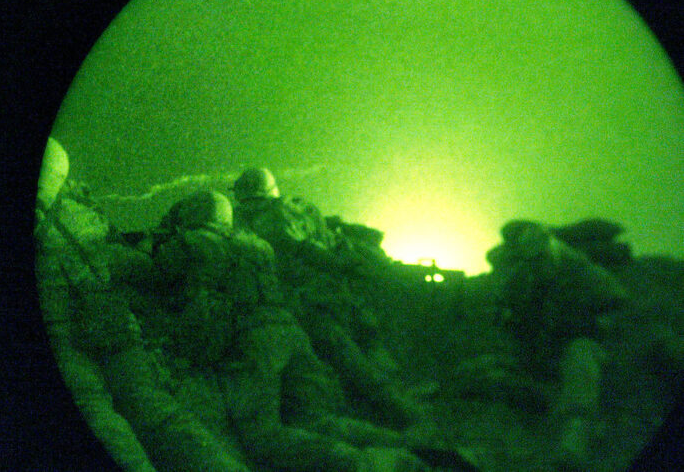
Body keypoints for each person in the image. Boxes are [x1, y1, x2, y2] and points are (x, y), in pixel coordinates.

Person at [153, 189, 443, 472]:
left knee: (262, 437)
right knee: (314, 419)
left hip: (253, 342)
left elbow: (155, 274)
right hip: (289, 330)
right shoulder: (256, 244)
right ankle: (406, 445)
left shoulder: (192, 244)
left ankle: (367, 463)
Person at [35, 145, 251, 472]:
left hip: (65, 339)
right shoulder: (83, 216)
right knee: (159, 415)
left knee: (97, 418)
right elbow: (139, 269)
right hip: (116, 325)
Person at [230, 168, 425, 430]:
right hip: (328, 295)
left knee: (346, 358)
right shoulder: (290, 208)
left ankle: (403, 414)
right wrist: (342, 265)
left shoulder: (263, 217)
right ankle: (397, 402)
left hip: (306, 303)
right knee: (361, 348)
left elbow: (299, 249)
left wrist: (335, 265)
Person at [486, 219, 629, 470]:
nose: (538, 264)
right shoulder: (523, 276)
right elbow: (502, 308)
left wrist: (596, 324)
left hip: (577, 349)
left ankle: (575, 434)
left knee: (581, 354)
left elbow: (618, 305)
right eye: (532, 260)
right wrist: (509, 319)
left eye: (542, 257)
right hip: (539, 352)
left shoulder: (585, 274)